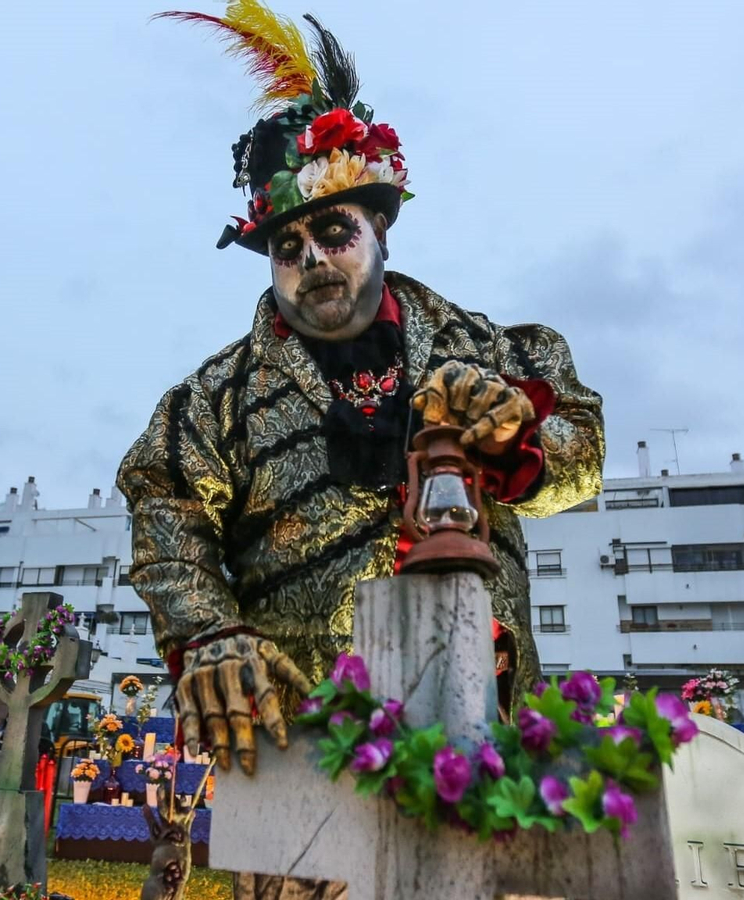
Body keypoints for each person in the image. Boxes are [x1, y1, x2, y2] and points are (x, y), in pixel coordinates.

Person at [124, 6, 604, 898]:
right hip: (304, 756)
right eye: (286, 246)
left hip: (481, 731)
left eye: (334, 233)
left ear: (381, 231)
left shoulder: (497, 350)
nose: (311, 261)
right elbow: (165, 511)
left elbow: (580, 459)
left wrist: (517, 435)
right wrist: (209, 633)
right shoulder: (212, 400)